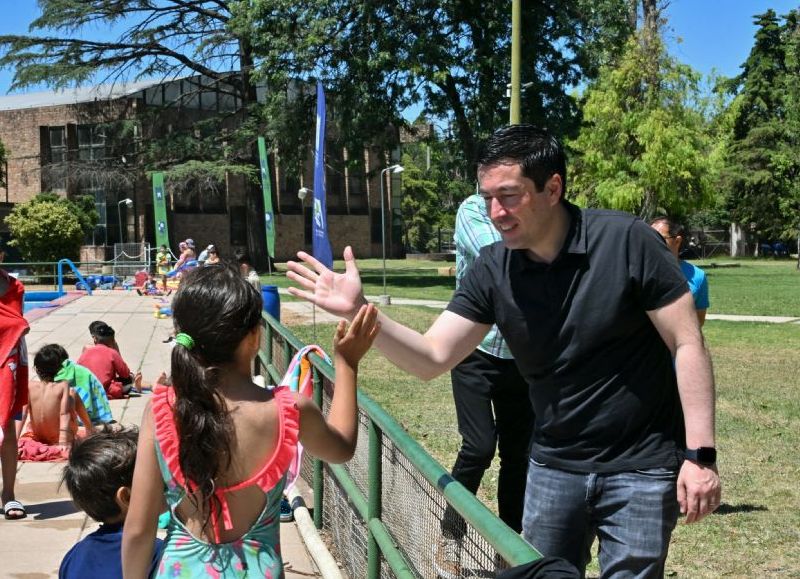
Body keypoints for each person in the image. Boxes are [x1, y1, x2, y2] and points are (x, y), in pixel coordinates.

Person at [286, 125, 721, 577]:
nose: (496, 212)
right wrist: (360, 309)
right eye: (487, 197)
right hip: (553, 465)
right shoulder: (494, 269)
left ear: (553, 188)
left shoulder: (627, 241)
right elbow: (432, 357)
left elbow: (687, 342)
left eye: (509, 196)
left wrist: (700, 457)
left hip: (640, 466)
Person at [122, 264, 379, 577]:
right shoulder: (288, 410)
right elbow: (341, 447)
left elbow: (138, 530)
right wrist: (347, 365)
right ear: (254, 336)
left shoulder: (162, 410)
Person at [436, 193, 534, 578]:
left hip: (521, 355)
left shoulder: (532, 211)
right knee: (478, 447)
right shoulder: (473, 209)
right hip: (474, 350)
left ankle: (509, 548)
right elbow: (499, 253)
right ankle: (450, 536)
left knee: (518, 454)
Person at [59, 426, 163, 579]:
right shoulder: (155, 554)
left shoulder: (75, 555)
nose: (167, 486)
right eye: (158, 479)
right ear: (126, 497)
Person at [0, 247, 29, 519]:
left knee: (7, 425)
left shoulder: (15, 286)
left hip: (8, 359)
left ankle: (8, 494)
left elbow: (14, 322)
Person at [33, 345, 113, 426]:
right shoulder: (70, 368)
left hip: (88, 416)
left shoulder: (62, 379)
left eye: (39, 371)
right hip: (100, 414)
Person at [650, 217, 710, 326]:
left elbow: (698, 321)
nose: (653, 242)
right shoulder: (638, 271)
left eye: (659, 238)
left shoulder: (698, 276)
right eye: (649, 237)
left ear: (677, 241)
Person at [21, 370, 94, 455]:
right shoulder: (63, 385)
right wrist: (62, 441)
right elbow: (64, 414)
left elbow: (23, 414)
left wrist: (16, 437)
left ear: (36, 369)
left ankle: (89, 428)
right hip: (59, 437)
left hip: (39, 436)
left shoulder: (30, 385)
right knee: (72, 394)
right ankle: (89, 428)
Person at [78, 322, 141, 395]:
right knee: (130, 378)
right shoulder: (112, 352)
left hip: (86, 389)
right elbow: (125, 373)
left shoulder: (86, 351)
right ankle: (136, 386)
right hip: (105, 390)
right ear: (113, 341)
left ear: (94, 338)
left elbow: (78, 370)